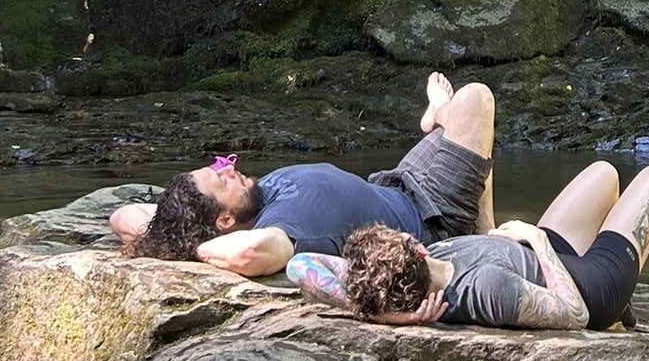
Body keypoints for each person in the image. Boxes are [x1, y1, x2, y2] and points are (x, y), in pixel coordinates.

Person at [113, 71, 494, 276]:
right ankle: (484, 229)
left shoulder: (249, 201)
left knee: (467, 126)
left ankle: (440, 118)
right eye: (220, 178)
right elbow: (247, 252)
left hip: (400, 182)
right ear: (225, 219)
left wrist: (171, 238)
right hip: (433, 217)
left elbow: (122, 216)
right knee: (476, 99)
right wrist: (194, 251)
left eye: (218, 165)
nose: (228, 166)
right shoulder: (277, 232)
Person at [340, 158, 649, 333]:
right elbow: (573, 314)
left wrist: (391, 317)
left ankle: (634, 293)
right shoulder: (484, 287)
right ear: (414, 251)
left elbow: (307, 268)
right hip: (589, 290)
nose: (408, 234)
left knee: (603, 173)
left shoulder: (429, 270)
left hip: (547, 260)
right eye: (404, 238)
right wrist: (539, 242)